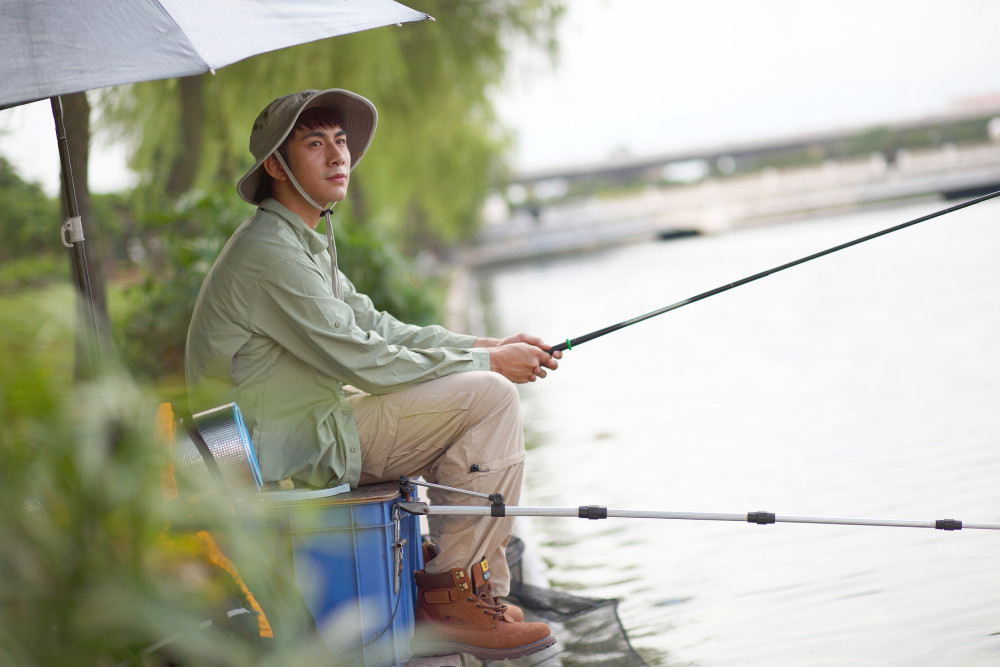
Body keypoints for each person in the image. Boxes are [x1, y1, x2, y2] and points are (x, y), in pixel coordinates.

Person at [185, 88, 562, 660]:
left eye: (342, 142)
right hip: (280, 455)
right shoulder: (270, 254)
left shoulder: (299, 242)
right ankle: (451, 599)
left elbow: (379, 328)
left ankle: (470, 590)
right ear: (275, 167)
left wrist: (487, 343)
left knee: (473, 387)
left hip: (304, 429)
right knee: (486, 398)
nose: (340, 157)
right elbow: (369, 362)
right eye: (316, 144)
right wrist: (489, 364)